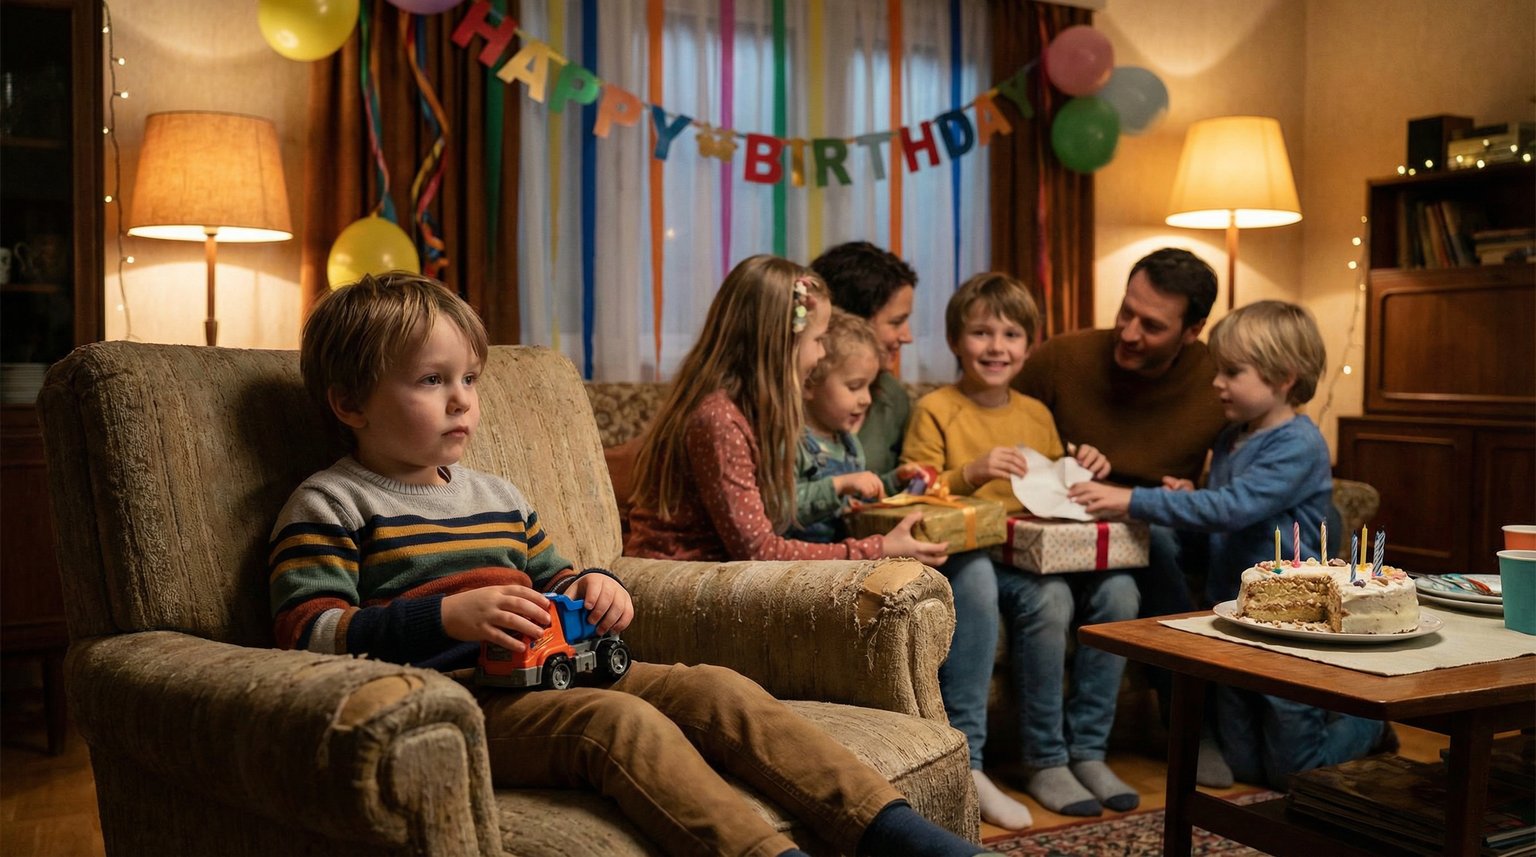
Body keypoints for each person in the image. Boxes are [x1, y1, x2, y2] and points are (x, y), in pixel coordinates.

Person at [268, 271, 985, 857]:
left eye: (470, 379)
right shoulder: (333, 502)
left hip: (559, 663)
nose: (462, 400)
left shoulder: (497, 495)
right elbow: (308, 634)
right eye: (431, 381)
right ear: (350, 402)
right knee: (619, 725)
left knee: (717, 689)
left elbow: (559, 575)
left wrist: (596, 584)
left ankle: (899, 833)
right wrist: (443, 615)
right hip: (460, 703)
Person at [1070, 300, 1390, 788]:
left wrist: (1133, 499)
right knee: (1242, 765)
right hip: (1237, 614)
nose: (1217, 382)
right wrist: (1192, 496)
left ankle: (1370, 722)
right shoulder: (1230, 438)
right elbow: (1222, 511)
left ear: (1283, 377)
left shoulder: (1298, 444)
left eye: (1233, 372)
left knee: (1293, 774)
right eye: (1218, 369)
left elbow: (1233, 508)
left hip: (1293, 622)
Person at [902, 272, 1137, 828]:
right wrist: (969, 472)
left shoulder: (1035, 413)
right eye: (981, 333)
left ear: (1029, 347)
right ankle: (1005, 761)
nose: (996, 347)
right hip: (976, 556)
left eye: (1010, 335)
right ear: (957, 340)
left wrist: (1086, 473)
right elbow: (911, 489)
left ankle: (1086, 752)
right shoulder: (936, 408)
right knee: (1040, 596)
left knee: (1122, 590)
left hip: (1038, 553)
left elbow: (1057, 492)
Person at [1013, 247, 1230, 784]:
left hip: (1162, 534)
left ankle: (1188, 721)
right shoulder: (1059, 360)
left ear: (1193, 330)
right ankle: (1189, 720)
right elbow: (1006, 442)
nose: (1129, 333)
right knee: (1149, 543)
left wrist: (1194, 487)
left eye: (1152, 325)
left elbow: (1235, 477)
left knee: (1155, 543)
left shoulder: (1217, 379)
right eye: (1125, 311)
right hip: (1068, 530)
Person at [625, 255, 946, 567]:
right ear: (782, 344)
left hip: (726, 574)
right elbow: (758, 551)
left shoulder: (756, 413)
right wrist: (877, 549)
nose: (821, 354)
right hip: (682, 580)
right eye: (818, 340)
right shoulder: (719, 420)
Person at [790, 309, 909, 542]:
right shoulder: (794, 443)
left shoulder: (848, 442)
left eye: (869, 386)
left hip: (848, 559)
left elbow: (858, 499)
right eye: (855, 387)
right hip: (803, 566)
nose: (866, 399)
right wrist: (838, 485)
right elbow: (782, 509)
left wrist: (893, 482)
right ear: (809, 385)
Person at [811, 241, 918, 478]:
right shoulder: (790, 403)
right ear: (852, 323)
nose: (907, 337)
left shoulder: (892, 398)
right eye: (896, 322)